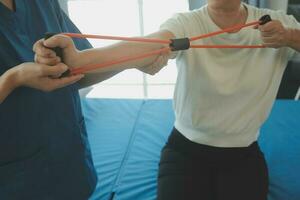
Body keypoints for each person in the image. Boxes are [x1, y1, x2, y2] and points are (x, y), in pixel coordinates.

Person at [34, 0, 300, 199]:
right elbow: (153, 44)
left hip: (244, 153)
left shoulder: (277, 22)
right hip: (186, 151)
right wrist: (81, 60)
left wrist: (288, 37)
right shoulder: (186, 23)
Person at [0, 0, 162, 199]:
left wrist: (133, 58)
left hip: (70, 165)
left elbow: (78, 71)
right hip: (17, 180)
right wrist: (13, 78)